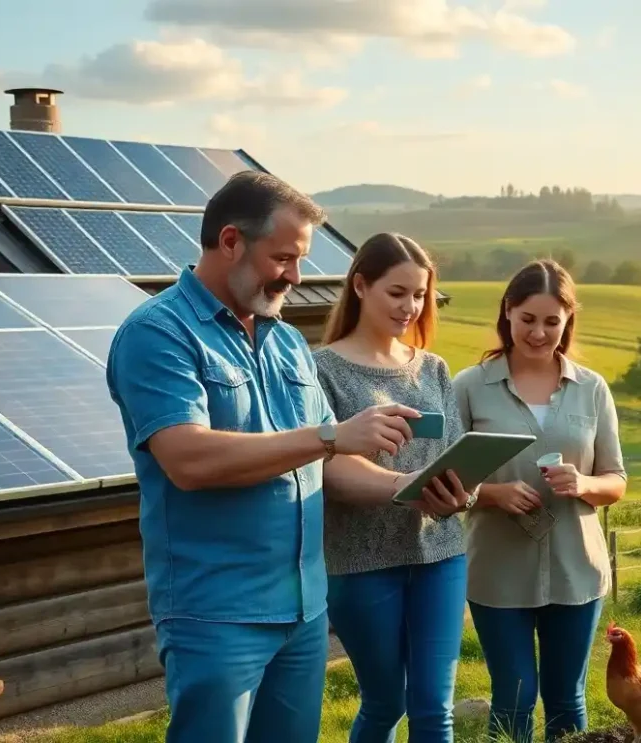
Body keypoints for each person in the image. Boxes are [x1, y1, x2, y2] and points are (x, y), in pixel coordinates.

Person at [106, 172, 469, 743]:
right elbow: (188, 459)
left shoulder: (286, 342)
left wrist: (413, 488)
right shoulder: (159, 333)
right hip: (218, 611)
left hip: (303, 608)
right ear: (230, 242)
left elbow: (329, 463)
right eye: (283, 257)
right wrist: (328, 436)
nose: (296, 277)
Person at [452, 259, 627, 743]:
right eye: (528, 318)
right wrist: (491, 493)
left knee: (566, 694)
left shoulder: (591, 388)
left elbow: (616, 479)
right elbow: (442, 480)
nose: (538, 332)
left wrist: (584, 485)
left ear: (568, 320)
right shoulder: (468, 386)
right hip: (496, 570)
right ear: (507, 312)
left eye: (552, 321)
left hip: (577, 567)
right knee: (515, 692)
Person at [313, 232, 473, 743]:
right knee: (385, 702)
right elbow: (328, 469)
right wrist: (405, 484)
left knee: (433, 708)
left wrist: (461, 494)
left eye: (420, 295)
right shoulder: (321, 370)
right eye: (397, 292)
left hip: (440, 554)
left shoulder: (434, 369)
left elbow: (451, 458)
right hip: (361, 563)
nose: (411, 307)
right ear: (361, 285)